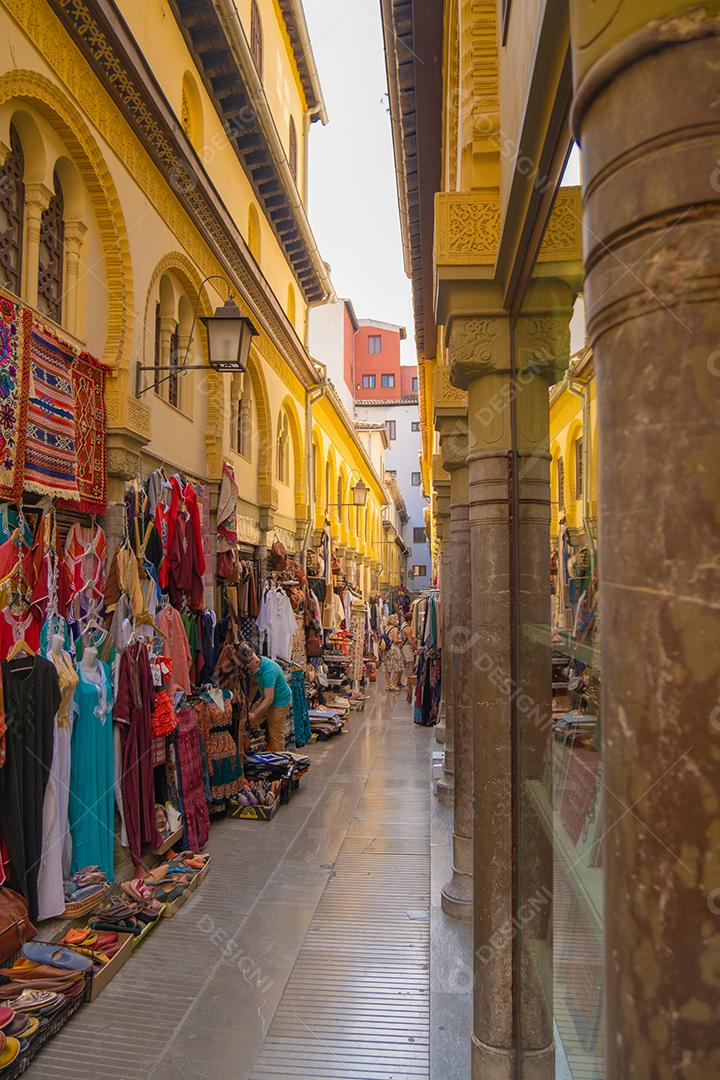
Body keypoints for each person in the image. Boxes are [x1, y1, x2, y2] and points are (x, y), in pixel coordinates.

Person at [238, 643, 292, 752]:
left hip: (280, 701)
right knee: (244, 723)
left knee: (276, 735)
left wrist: (254, 714)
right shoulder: (254, 668)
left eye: (249, 669)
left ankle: (280, 764)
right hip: (265, 697)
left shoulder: (269, 671)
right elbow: (253, 685)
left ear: (256, 662)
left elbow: (269, 699)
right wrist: (249, 703)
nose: (248, 671)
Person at [384, 614, 404, 692]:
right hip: (394, 649)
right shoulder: (395, 629)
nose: (397, 621)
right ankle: (392, 685)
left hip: (387, 649)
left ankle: (388, 685)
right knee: (397, 666)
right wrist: (400, 640)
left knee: (387, 668)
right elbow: (395, 640)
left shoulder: (387, 628)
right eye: (396, 619)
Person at [401, 611, 416, 702]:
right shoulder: (408, 629)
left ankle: (407, 683)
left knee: (408, 665)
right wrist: (416, 648)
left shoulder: (403, 625)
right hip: (407, 648)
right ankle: (408, 684)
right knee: (410, 665)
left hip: (404, 647)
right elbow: (410, 641)